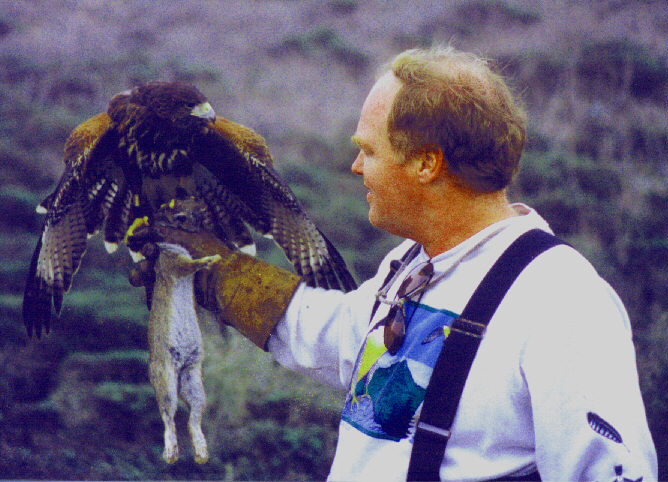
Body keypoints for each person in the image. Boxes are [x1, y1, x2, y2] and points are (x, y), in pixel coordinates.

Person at [131, 46, 658, 481]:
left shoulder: (560, 301)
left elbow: (611, 474)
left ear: (427, 162)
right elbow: (328, 334)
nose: (355, 166)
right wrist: (210, 271)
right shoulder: (411, 267)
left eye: (370, 151)